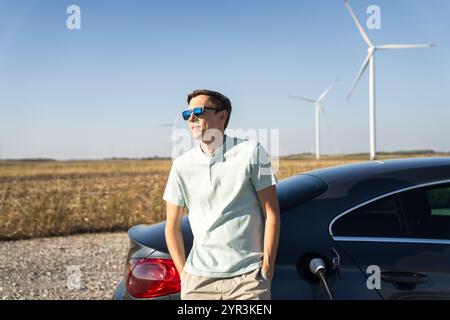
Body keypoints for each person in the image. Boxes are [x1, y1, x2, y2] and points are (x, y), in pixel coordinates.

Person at [163, 89, 280, 300]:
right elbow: (171, 225)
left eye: (198, 112)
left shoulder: (253, 152)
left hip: (248, 280)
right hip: (198, 282)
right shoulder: (181, 165)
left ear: (222, 115)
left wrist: (267, 269)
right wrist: (184, 276)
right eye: (186, 114)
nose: (191, 118)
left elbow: (272, 214)